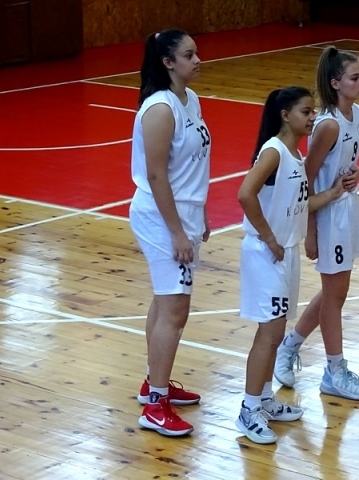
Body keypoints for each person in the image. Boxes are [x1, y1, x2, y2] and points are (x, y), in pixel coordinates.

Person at [236, 86, 350, 444]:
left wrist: (332, 193)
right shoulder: (273, 151)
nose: (313, 117)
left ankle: (265, 399)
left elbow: (298, 206)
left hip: (285, 252)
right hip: (266, 252)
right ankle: (248, 409)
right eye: (306, 111)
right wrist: (269, 237)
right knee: (268, 334)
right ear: (285, 115)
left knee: (275, 333)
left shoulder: (295, 155)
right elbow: (245, 193)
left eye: (313, 111)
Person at [273, 46, 359, 401]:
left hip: (347, 208)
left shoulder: (357, 113)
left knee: (336, 291)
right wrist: (311, 231)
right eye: (355, 77)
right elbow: (308, 176)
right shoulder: (328, 125)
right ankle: (334, 370)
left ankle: (289, 345)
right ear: (335, 83)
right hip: (328, 213)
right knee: (335, 295)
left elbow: (344, 164)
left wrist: (356, 173)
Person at [129, 29, 210, 437]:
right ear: (168, 62)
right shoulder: (160, 109)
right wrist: (177, 232)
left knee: (165, 304)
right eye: (189, 55)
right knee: (176, 310)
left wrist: (201, 212)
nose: (198, 60)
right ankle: (155, 406)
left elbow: (192, 165)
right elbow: (157, 176)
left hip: (184, 214)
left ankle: (153, 383)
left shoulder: (189, 99)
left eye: (196, 53)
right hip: (161, 218)